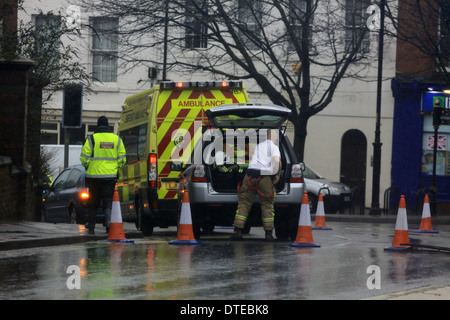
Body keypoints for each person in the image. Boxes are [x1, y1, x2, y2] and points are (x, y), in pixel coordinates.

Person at [231, 129, 281, 241]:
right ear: (272, 136)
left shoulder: (259, 146)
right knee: (267, 204)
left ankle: (237, 231)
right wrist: (277, 175)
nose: (277, 137)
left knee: (244, 203)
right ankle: (269, 234)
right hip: (264, 177)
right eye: (276, 135)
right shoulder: (273, 147)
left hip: (249, 176)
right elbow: (277, 161)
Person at [80, 116, 126, 234]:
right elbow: (122, 159)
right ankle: (108, 225)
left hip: (93, 177)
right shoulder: (117, 139)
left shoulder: (91, 139)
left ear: (97, 125)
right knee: (108, 200)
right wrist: (115, 168)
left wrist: (89, 166)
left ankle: (91, 226)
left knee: (93, 202)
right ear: (108, 125)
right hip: (110, 177)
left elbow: (84, 158)